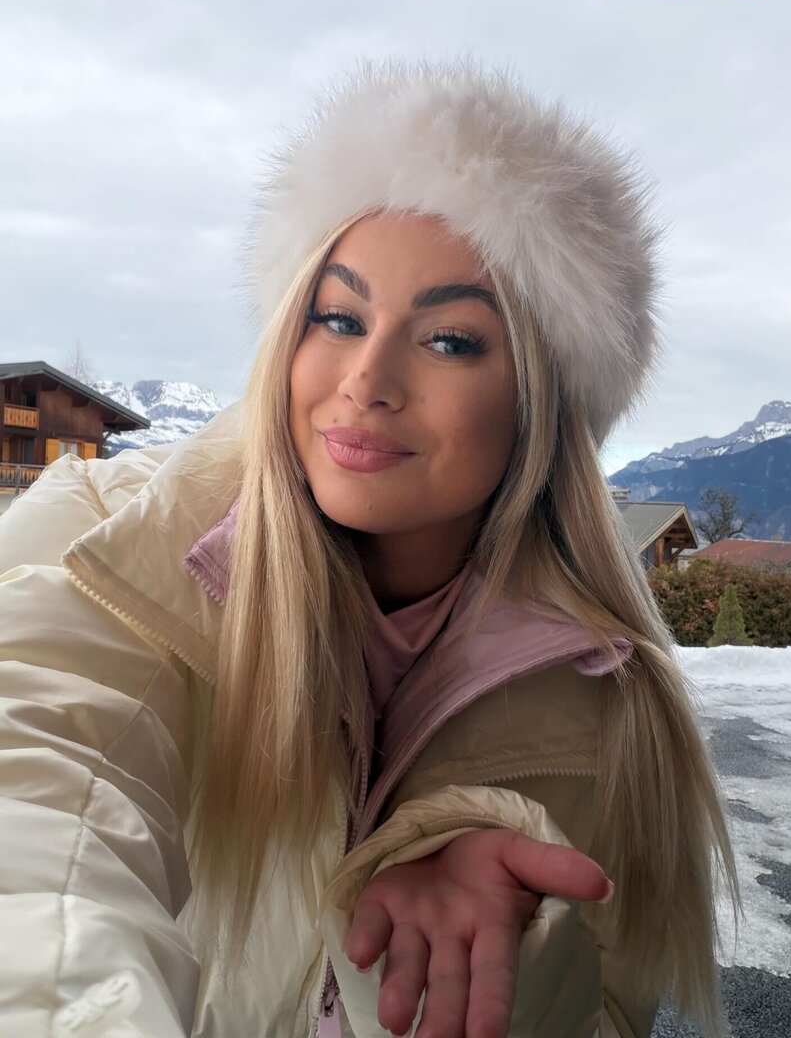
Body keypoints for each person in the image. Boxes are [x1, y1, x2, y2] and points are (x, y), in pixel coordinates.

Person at [0, 56, 740, 1038]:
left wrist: (513, 954)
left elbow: (609, 1011)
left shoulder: (611, 704)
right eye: (339, 318)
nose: (366, 379)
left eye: (450, 340)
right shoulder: (108, 538)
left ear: (542, 402)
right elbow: (40, 790)